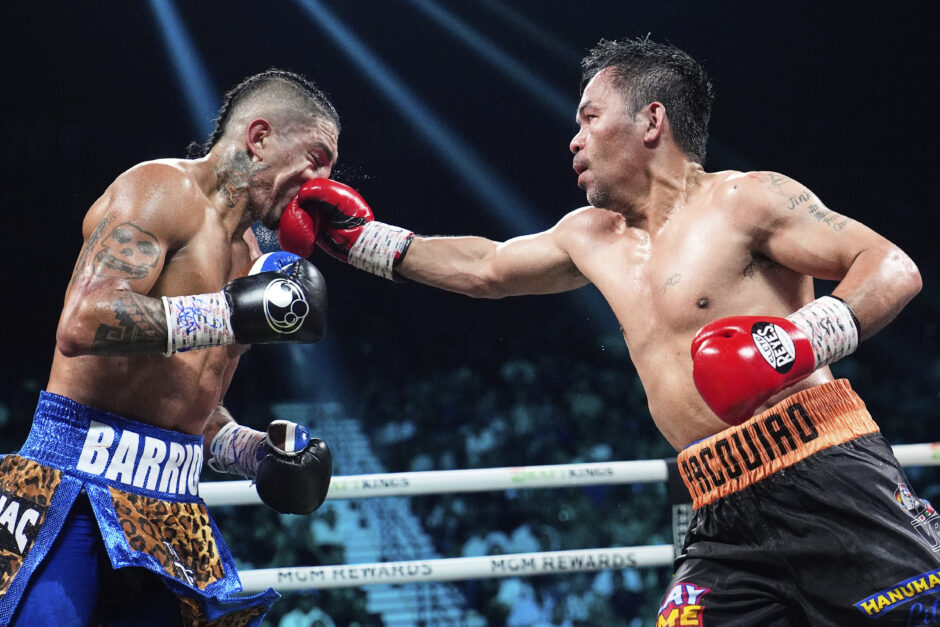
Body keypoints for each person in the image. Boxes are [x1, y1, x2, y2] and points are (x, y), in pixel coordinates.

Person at [277, 37, 937, 624]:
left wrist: (793, 343)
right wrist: (363, 242)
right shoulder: (590, 235)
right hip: (720, 508)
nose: (574, 139)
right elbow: (486, 267)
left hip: (826, 473)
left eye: (590, 118)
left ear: (652, 120)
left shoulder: (746, 200)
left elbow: (890, 266)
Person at [0, 69, 338, 626]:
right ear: (259, 138)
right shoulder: (161, 190)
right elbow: (82, 321)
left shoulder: (251, 260)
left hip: (172, 511)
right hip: (76, 483)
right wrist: (229, 313)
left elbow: (190, 402)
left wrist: (252, 453)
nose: (322, 183)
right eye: (316, 159)